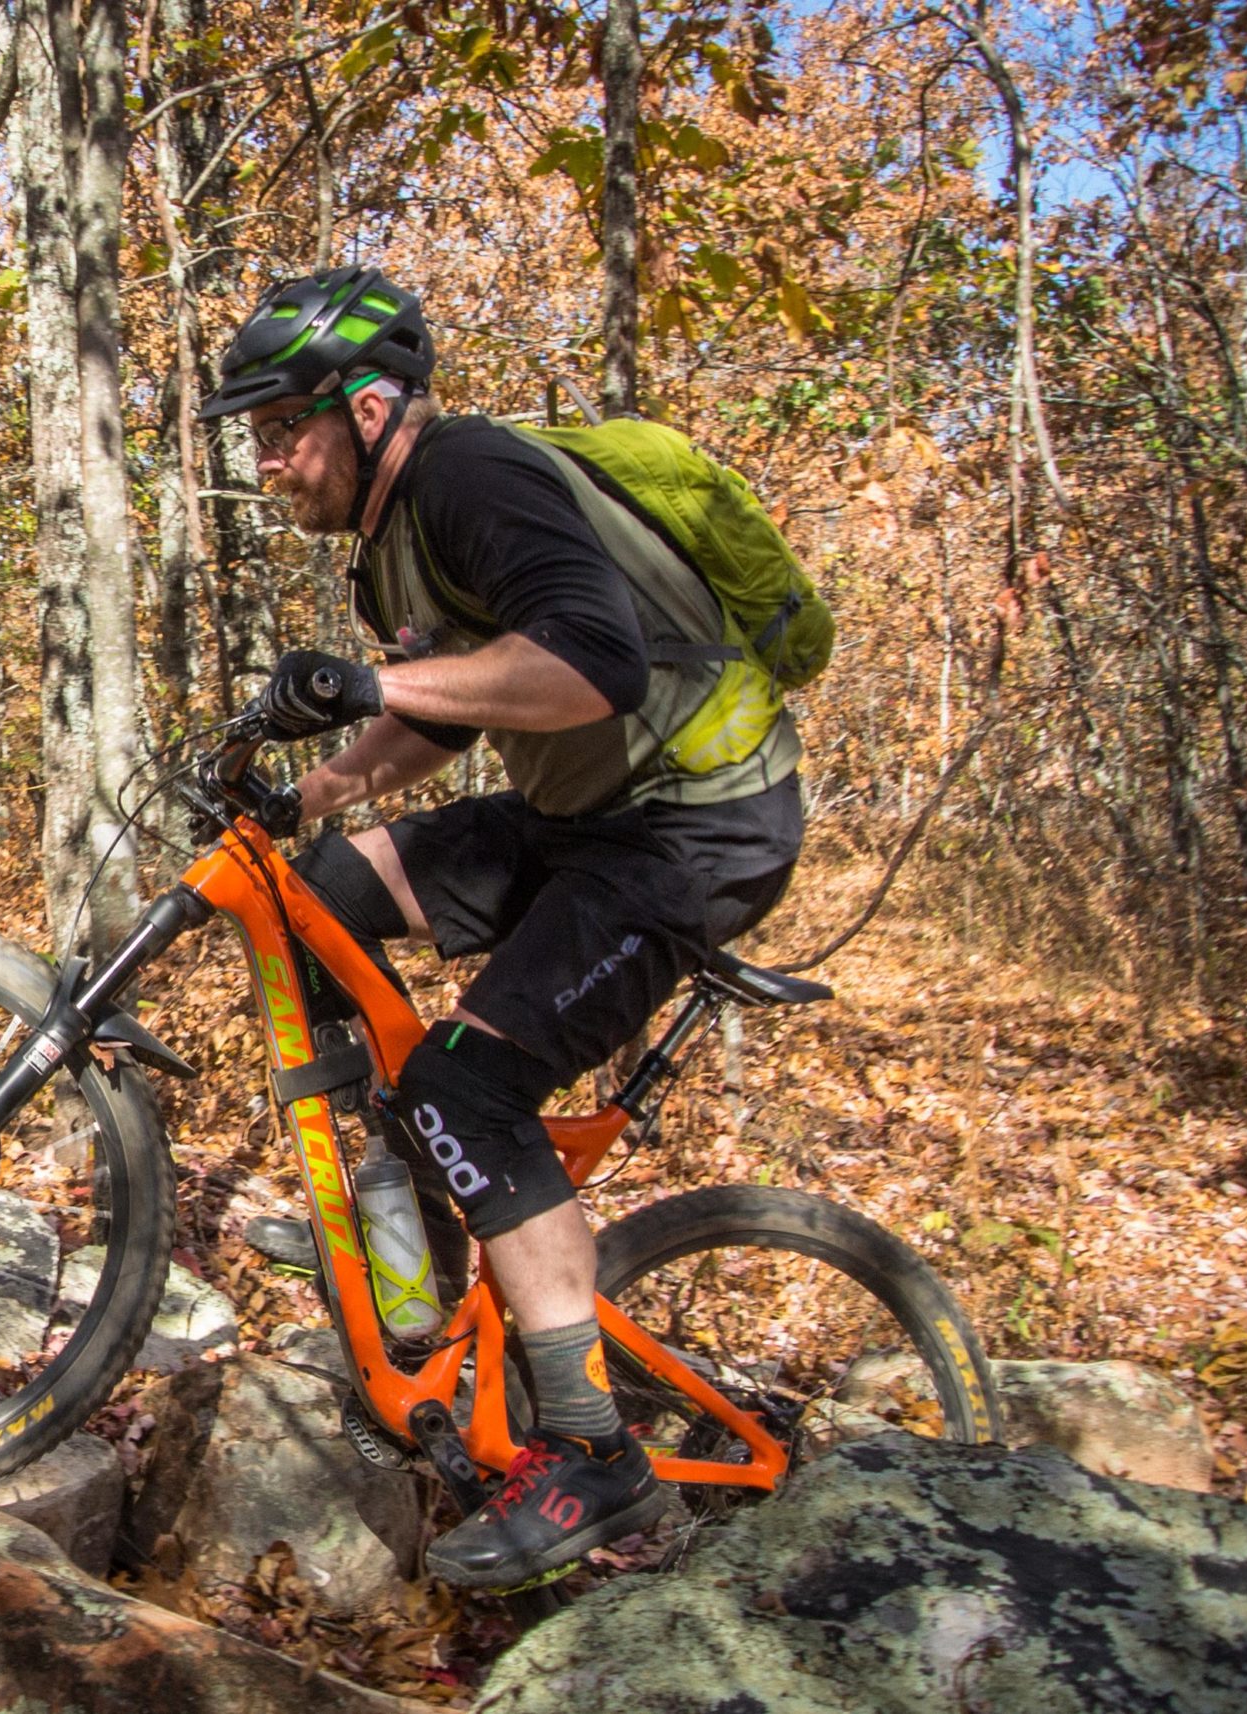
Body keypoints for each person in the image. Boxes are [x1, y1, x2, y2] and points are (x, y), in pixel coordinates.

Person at [198, 266, 804, 1590]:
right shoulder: (393, 537)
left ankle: (595, 1456)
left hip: (694, 829)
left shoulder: (471, 476)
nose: (265, 461)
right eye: (252, 437)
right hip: (591, 816)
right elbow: (454, 702)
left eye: (279, 428)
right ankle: (412, 1236)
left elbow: (595, 664)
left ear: (366, 408)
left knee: (467, 1092)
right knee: (321, 903)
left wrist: (368, 678)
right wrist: (322, 782)